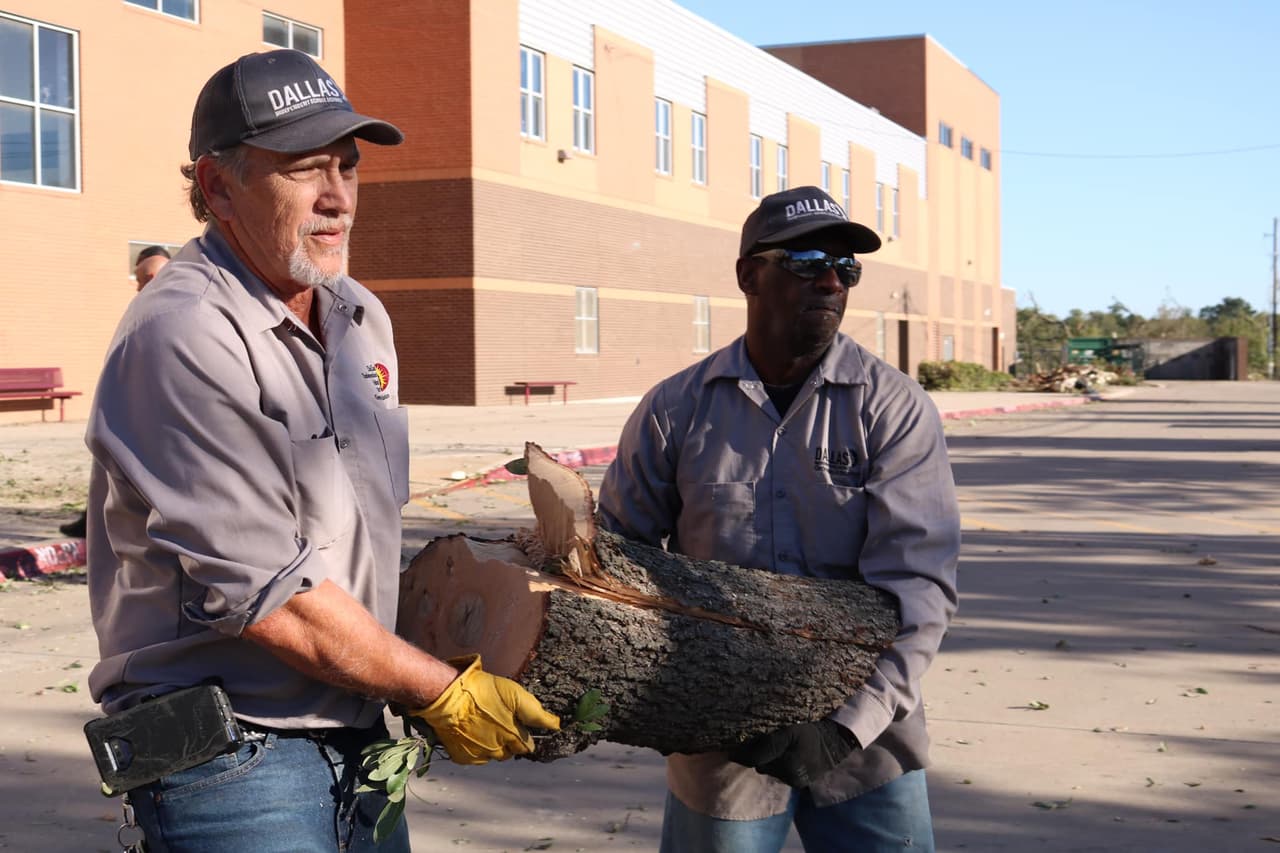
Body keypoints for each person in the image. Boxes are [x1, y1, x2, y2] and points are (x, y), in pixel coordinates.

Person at [83, 49, 558, 852]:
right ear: (218, 186)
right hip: (231, 767)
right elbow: (275, 597)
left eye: (348, 165)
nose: (337, 196)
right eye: (305, 168)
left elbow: (355, 539)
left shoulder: (360, 317)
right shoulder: (183, 333)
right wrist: (442, 690)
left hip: (361, 733)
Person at [597, 186, 961, 853]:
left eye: (846, 266)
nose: (831, 280)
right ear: (748, 276)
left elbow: (919, 585)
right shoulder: (676, 410)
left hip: (869, 739)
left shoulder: (892, 408)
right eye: (807, 261)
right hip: (722, 741)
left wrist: (844, 727)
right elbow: (614, 566)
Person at [58, 246, 174, 539]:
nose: (139, 288)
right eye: (138, 281)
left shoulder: (175, 311)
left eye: (143, 280)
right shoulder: (151, 310)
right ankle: (94, 522)